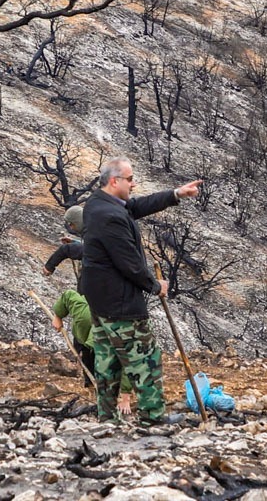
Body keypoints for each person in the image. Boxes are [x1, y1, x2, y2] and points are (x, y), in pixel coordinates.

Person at [79, 156, 201, 426]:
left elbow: (134, 207)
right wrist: (156, 285)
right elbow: (130, 264)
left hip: (101, 302)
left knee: (108, 361)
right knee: (144, 360)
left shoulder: (99, 204)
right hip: (120, 302)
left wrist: (175, 194)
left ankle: (107, 419)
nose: (134, 184)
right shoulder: (109, 216)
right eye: (130, 179)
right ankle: (152, 418)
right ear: (114, 181)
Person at [50, 288, 133, 417]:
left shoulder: (118, 332)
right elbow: (67, 295)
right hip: (81, 335)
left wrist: (125, 399)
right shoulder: (82, 310)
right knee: (87, 359)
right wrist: (57, 316)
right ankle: (90, 386)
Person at [43, 206, 85, 278]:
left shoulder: (96, 232)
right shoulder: (95, 229)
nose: (71, 228)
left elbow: (67, 249)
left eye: (72, 224)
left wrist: (50, 266)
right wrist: (75, 242)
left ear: (79, 221)